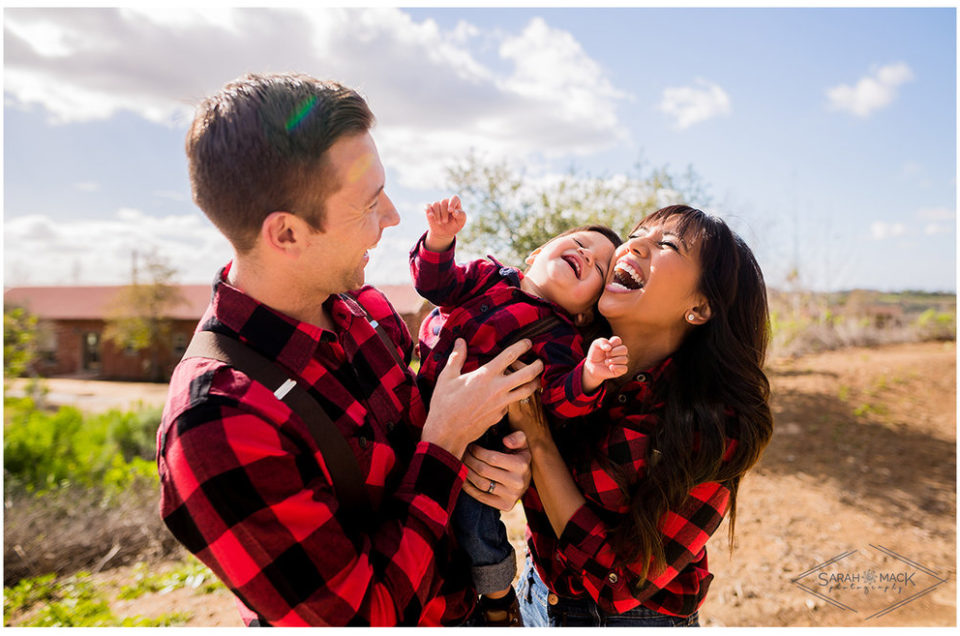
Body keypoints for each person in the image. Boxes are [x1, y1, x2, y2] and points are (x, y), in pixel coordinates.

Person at [156, 72, 543, 627]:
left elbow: (417, 470)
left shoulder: (368, 310)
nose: (392, 216)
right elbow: (361, 618)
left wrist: (484, 471)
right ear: (285, 233)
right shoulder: (215, 423)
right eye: (368, 203)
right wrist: (446, 442)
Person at [507, 205, 774, 627]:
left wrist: (538, 443)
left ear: (700, 308)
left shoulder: (715, 422)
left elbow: (622, 583)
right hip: (537, 592)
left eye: (667, 244)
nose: (635, 244)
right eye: (637, 233)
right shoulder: (562, 351)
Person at [410, 195, 627, 625]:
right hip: (424, 401)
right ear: (536, 254)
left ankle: (495, 594)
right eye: (581, 242)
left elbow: (561, 399)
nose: (586, 254)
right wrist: (439, 240)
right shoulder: (487, 274)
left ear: (586, 313)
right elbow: (437, 285)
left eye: (599, 267)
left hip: (483, 434)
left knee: (475, 515)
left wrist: (589, 374)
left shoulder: (564, 338)